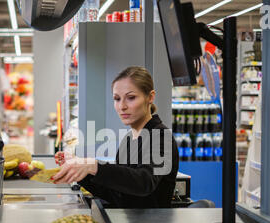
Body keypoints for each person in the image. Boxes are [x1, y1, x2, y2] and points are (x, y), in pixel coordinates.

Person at [53, 66, 179, 208]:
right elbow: (118, 195)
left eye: (131, 98)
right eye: (117, 99)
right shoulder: (129, 139)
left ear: (150, 97)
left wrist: (93, 165)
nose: (122, 106)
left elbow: (144, 182)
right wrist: (80, 172)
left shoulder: (161, 136)